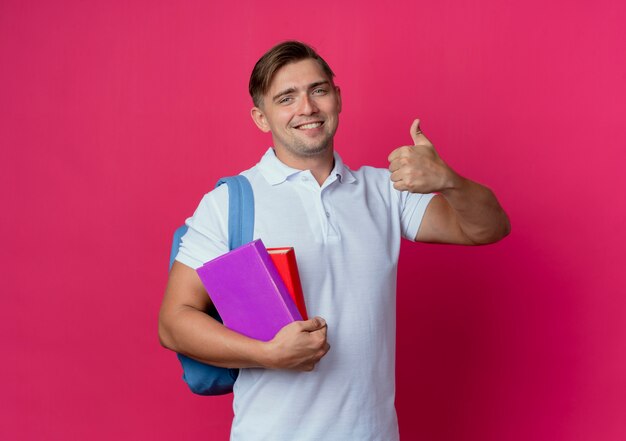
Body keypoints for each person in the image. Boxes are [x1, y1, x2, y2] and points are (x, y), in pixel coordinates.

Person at [159, 41, 510, 441]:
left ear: (337, 98)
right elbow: (173, 323)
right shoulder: (229, 203)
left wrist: (450, 180)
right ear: (261, 117)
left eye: (318, 90)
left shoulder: (385, 191)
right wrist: (268, 355)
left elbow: (489, 228)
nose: (306, 108)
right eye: (286, 98)